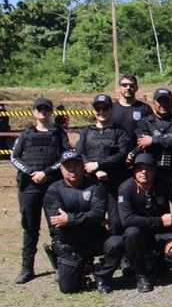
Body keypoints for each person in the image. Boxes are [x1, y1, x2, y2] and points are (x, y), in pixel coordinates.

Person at [43, 151, 123, 294]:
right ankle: (75, 270)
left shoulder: (95, 186)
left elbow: (98, 214)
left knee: (117, 242)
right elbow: (57, 221)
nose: (72, 169)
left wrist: (70, 219)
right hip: (70, 244)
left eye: (76, 165)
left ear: (83, 166)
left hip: (94, 238)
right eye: (68, 166)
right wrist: (87, 218)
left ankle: (102, 276)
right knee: (68, 289)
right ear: (61, 169)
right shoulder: (53, 190)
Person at [11, 97, 70, 283]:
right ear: (33, 111)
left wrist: (45, 173)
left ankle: (62, 267)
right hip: (29, 187)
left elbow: (65, 157)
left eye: (46, 109)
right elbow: (14, 157)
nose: (42, 112)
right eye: (39, 109)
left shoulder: (59, 134)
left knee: (57, 227)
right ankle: (27, 268)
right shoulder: (25, 134)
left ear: (51, 111)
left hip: (52, 185)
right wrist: (30, 172)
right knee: (30, 228)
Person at [118, 153, 172, 292]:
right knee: (131, 233)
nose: (143, 172)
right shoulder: (125, 188)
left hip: (163, 233)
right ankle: (141, 275)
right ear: (133, 171)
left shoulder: (165, 182)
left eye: (148, 168)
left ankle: (160, 265)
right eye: (139, 168)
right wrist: (159, 221)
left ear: (155, 170)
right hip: (140, 232)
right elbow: (126, 219)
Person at [75, 94, 132, 233]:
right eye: (98, 108)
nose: (101, 112)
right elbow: (80, 154)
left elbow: (122, 154)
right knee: (91, 220)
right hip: (91, 182)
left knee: (116, 222)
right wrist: (95, 170)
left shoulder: (119, 132)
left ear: (111, 109)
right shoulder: (86, 132)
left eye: (105, 108)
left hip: (114, 181)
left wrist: (99, 165)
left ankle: (115, 252)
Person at [135, 88, 172, 187]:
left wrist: (153, 140)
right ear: (153, 103)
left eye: (166, 101)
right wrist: (169, 140)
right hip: (151, 172)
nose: (163, 104)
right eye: (160, 101)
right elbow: (143, 142)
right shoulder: (145, 122)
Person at [111, 74, 152, 142]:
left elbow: (151, 132)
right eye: (124, 85)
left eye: (131, 85)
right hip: (115, 151)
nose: (128, 88)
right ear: (118, 87)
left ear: (136, 88)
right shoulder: (110, 109)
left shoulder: (145, 109)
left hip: (139, 151)